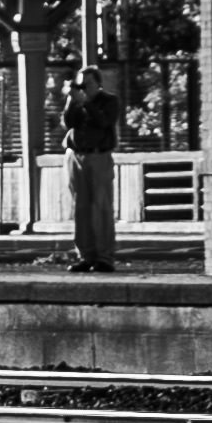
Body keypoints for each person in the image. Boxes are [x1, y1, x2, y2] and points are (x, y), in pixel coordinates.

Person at [64, 71, 125, 273]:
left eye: (88, 84)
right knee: (80, 207)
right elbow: (68, 123)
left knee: (101, 206)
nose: (84, 88)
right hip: (76, 155)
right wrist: (71, 100)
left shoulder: (109, 101)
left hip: (99, 155)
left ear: (98, 84)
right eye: (81, 84)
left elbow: (104, 122)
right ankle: (85, 256)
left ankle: (104, 257)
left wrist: (87, 103)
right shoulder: (76, 102)